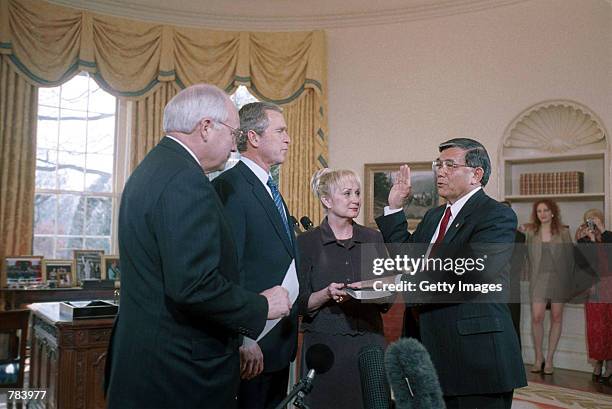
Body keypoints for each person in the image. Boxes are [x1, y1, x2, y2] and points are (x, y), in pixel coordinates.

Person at [104, 84, 291, 409]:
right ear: (205, 127)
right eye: (233, 133)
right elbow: (193, 284)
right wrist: (261, 307)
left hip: (151, 364)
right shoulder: (185, 182)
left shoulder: (156, 168)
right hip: (178, 373)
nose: (235, 145)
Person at [375, 138, 526, 409]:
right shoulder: (434, 217)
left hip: (476, 360)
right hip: (430, 355)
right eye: (438, 164)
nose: (440, 171)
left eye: (450, 165)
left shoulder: (495, 215)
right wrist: (395, 208)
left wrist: (402, 282)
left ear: (476, 174)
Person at [212, 102, 298, 409]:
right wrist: (243, 338)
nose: (288, 139)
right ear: (254, 137)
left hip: (278, 344)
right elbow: (227, 269)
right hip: (253, 345)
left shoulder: (269, 187)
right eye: (280, 131)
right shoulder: (230, 187)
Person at [297, 168, 390, 409]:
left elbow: (389, 294)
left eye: (357, 193)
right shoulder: (306, 243)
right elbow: (298, 303)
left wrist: (370, 288)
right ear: (326, 200)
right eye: (347, 193)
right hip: (324, 348)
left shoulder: (373, 238)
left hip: (369, 344)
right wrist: (326, 293)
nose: (355, 199)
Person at [523, 199, 573, 375]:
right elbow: (525, 258)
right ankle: (538, 358)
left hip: (559, 280)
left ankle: (550, 359)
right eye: (539, 211)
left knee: (556, 318)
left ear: (553, 212)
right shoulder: (531, 233)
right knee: (537, 317)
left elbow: (570, 260)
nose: (542, 214)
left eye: (545, 210)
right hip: (538, 281)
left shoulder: (564, 232)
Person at [575, 209, 612, 384]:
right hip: (594, 291)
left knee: (610, 329)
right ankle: (598, 364)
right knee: (596, 329)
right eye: (589, 220)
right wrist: (587, 241)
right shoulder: (583, 241)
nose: (592, 224)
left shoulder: (609, 236)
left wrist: (603, 231)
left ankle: (610, 366)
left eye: (595, 220)